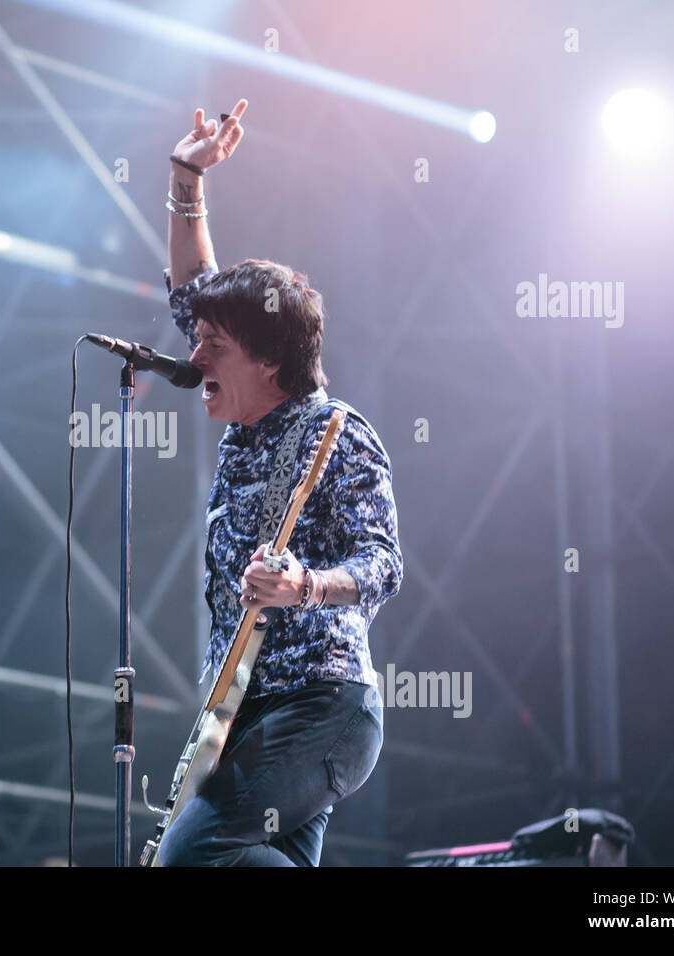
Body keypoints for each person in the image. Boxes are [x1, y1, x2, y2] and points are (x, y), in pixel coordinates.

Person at [156, 99, 403, 866]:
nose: (194, 358)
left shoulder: (338, 433)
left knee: (188, 859)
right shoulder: (243, 425)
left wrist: (305, 584)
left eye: (213, 346)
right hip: (245, 710)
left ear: (268, 361)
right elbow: (193, 289)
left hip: (321, 707)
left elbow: (383, 564)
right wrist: (185, 180)